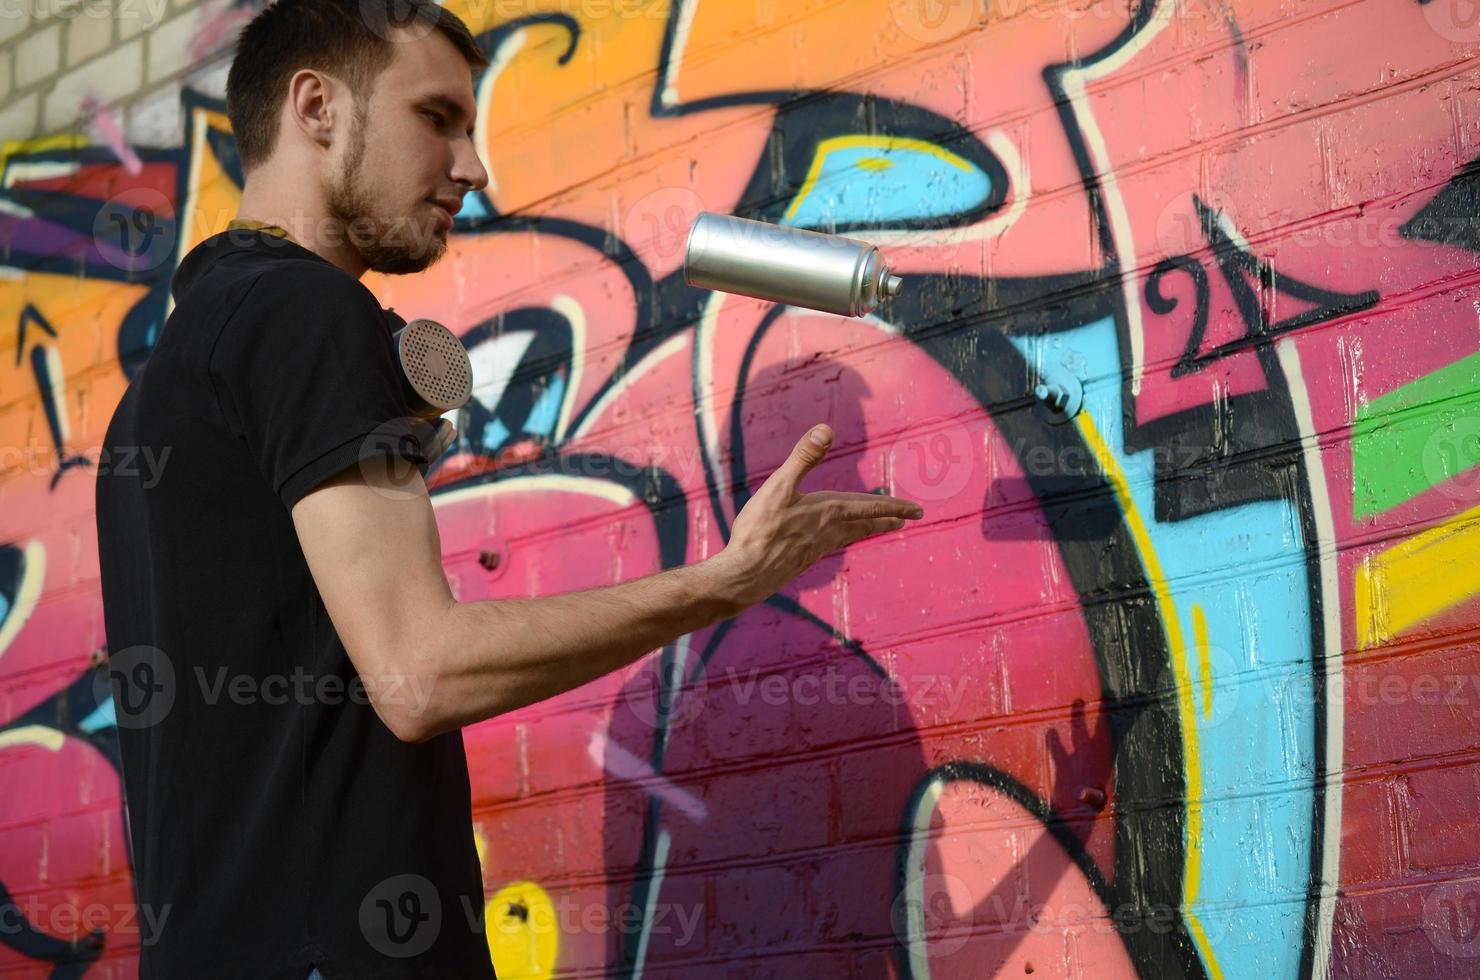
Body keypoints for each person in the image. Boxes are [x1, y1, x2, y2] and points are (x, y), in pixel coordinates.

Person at [93, 1, 925, 978]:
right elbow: (420, 673)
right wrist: (726, 580)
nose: (472, 166)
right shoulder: (304, 313)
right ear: (316, 106)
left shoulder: (167, 379)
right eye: (437, 118)